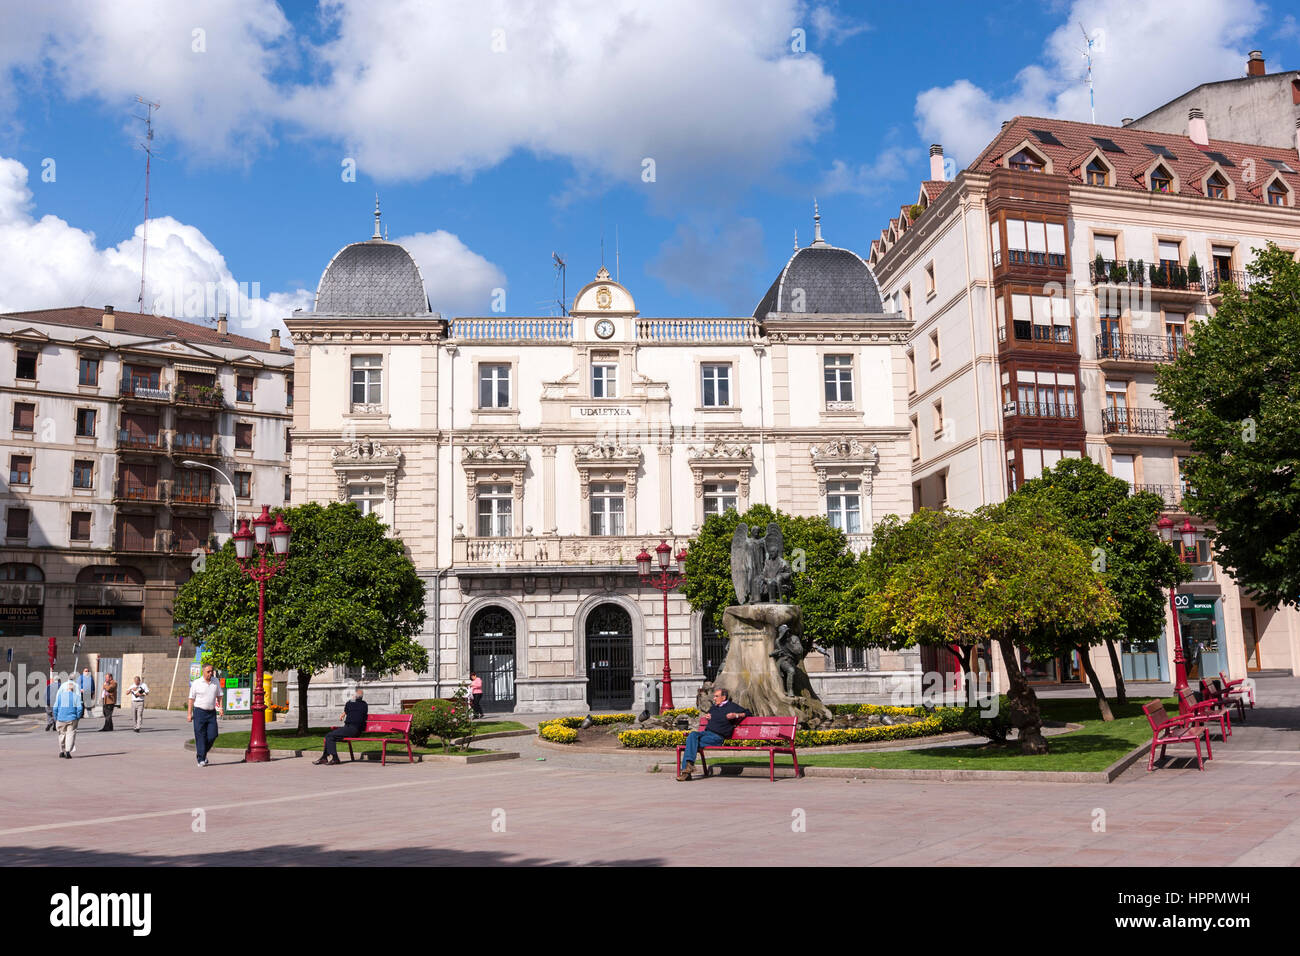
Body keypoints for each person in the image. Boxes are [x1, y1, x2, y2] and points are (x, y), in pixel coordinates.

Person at [677, 686, 751, 781]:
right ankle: (688, 768)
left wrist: (736, 715)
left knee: (690, 743)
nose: (714, 698)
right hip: (706, 734)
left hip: (717, 737)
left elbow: (748, 713)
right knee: (692, 735)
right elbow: (710, 715)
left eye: (716, 696)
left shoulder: (732, 706)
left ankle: (686, 771)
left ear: (723, 697)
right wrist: (708, 716)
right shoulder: (714, 708)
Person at [316, 686, 367, 765]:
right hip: (355, 730)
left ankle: (335, 758)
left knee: (329, 736)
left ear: (354, 696)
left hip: (351, 729)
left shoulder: (349, 703)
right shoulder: (364, 705)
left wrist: (343, 714)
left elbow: (348, 709)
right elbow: (351, 710)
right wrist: (343, 714)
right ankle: (324, 758)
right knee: (330, 736)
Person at [187, 664, 224, 766]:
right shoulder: (197, 683)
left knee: (213, 735)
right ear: (203, 672)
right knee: (200, 735)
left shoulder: (215, 681)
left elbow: (220, 696)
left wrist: (220, 708)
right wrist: (189, 714)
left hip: (211, 712)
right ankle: (201, 759)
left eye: (211, 671)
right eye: (208, 671)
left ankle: (202, 753)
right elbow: (191, 699)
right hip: (199, 712)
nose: (210, 673)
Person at [52, 678, 84, 758]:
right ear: (73, 690)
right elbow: (80, 708)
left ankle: (61, 751)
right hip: (72, 718)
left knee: (61, 735)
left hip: (61, 718)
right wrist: (77, 716)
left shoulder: (60, 696)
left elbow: (55, 708)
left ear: (66, 689)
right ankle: (67, 751)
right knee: (70, 734)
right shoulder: (76, 697)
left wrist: (56, 717)